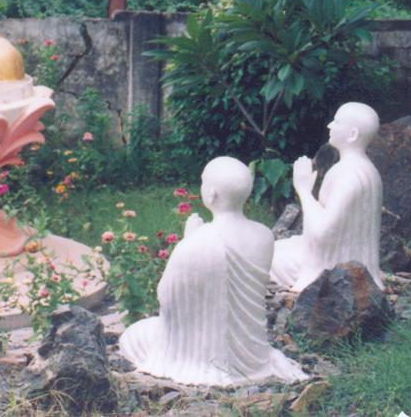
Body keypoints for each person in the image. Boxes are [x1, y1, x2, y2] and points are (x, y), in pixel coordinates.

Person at [119, 157, 306, 385]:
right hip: (253, 355)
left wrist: (188, 241)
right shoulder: (264, 236)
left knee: (134, 336)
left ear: (211, 195)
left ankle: (204, 365)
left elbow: (166, 298)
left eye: (203, 182)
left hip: (199, 351)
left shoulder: (198, 242)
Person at [271, 102, 383, 292]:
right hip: (346, 258)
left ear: (353, 134)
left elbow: (323, 233)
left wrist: (304, 190)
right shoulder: (369, 171)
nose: (329, 125)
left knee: (264, 256)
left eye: (337, 122)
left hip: (332, 268)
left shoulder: (349, 176)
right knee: (278, 246)